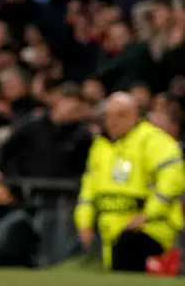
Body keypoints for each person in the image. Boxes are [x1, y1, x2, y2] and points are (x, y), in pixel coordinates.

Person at [75, 92, 185, 271]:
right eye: (108, 116)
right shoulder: (100, 147)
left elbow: (172, 182)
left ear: (137, 116)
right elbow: (88, 189)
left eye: (121, 115)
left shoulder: (154, 141)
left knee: (126, 251)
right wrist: (83, 222)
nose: (112, 121)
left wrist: (147, 215)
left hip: (152, 229)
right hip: (110, 231)